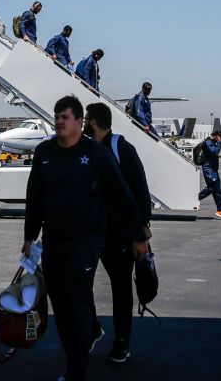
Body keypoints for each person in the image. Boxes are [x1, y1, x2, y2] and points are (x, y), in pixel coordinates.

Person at [22, 96, 149, 381]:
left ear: (81, 122)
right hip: (54, 241)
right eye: (56, 116)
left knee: (78, 301)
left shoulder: (96, 154)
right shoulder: (44, 152)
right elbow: (34, 198)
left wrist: (139, 234)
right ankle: (77, 349)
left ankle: (77, 368)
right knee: (61, 304)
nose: (58, 122)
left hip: (87, 241)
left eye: (64, 117)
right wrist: (30, 236)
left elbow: (124, 194)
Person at [84, 103, 151, 365]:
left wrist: (141, 230)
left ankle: (122, 341)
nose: (83, 123)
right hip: (91, 232)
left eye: (86, 119)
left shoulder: (121, 148)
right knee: (80, 283)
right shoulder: (87, 150)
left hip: (119, 234)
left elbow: (140, 189)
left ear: (93, 122)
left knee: (121, 288)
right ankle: (92, 328)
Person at [196, 130, 221, 219]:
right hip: (209, 169)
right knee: (211, 187)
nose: (220, 141)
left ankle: (220, 210)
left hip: (213, 170)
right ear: (217, 137)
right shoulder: (208, 142)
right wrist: (219, 142)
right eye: (220, 139)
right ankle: (194, 200)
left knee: (217, 190)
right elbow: (215, 152)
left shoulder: (212, 143)